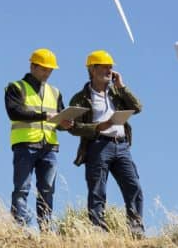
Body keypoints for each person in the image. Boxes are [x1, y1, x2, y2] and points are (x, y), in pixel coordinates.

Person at [68, 50, 145, 237]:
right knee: (97, 190)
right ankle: (98, 231)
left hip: (122, 145)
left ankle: (136, 229)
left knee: (133, 186)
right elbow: (72, 126)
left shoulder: (117, 93)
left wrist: (122, 87)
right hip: (98, 146)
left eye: (111, 67)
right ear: (92, 69)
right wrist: (96, 128)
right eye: (105, 66)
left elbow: (137, 108)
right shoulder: (80, 98)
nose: (109, 70)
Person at [5, 48, 73, 231]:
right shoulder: (16, 87)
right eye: (44, 69)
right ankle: (21, 228)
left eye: (50, 70)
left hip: (49, 147)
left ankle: (45, 229)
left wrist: (64, 123)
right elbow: (15, 112)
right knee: (22, 189)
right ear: (33, 66)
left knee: (47, 191)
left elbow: (57, 117)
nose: (48, 73)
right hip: (25, 145)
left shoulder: (55, 92)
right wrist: (44, 116)